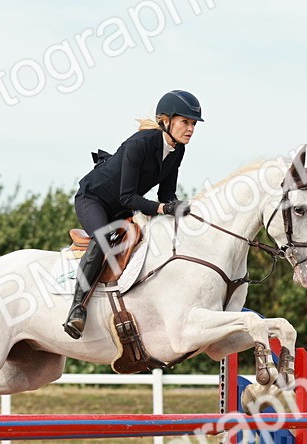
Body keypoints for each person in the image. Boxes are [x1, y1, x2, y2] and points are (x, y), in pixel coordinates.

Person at [62, 90, 202, 339]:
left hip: (122, 207)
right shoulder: (140, 144)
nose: (190, 128)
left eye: (192, 124)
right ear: (165, 121)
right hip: (94, 199)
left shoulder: (177, 150)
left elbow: (166, 195)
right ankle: (77, 308)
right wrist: (162, 209)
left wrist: (187, 209)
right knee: (103, 239)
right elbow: (128, 197)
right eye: (185, 122)